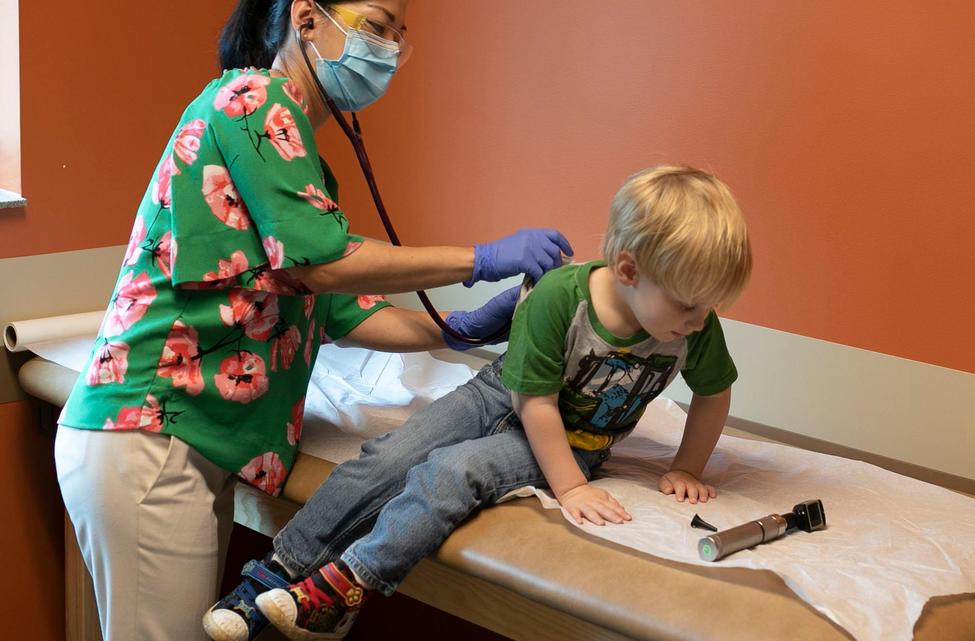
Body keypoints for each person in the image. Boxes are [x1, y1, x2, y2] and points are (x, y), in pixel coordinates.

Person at [54, 1, 575, 640]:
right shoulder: (251, 100)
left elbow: (336, 307)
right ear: (306, 18)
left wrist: (456, 330)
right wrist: (482, 258)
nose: (388, 49)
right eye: (377, 26)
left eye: (399, 36)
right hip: (149, 430)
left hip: (182, 442)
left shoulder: (294, 146)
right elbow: (326, 263)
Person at [205, 165, 752, 641]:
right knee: (389, 457)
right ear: (630, 270)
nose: (701, 320)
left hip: (575, 439)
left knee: (452, 471)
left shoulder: (693, 326)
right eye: (688, 305)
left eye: (709, 307)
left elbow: (713, 392)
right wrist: (572, 489)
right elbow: (532, 398)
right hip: (501, 392)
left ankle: (349, 588)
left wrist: (686, 466)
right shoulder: (562, 296)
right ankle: (277, 570)